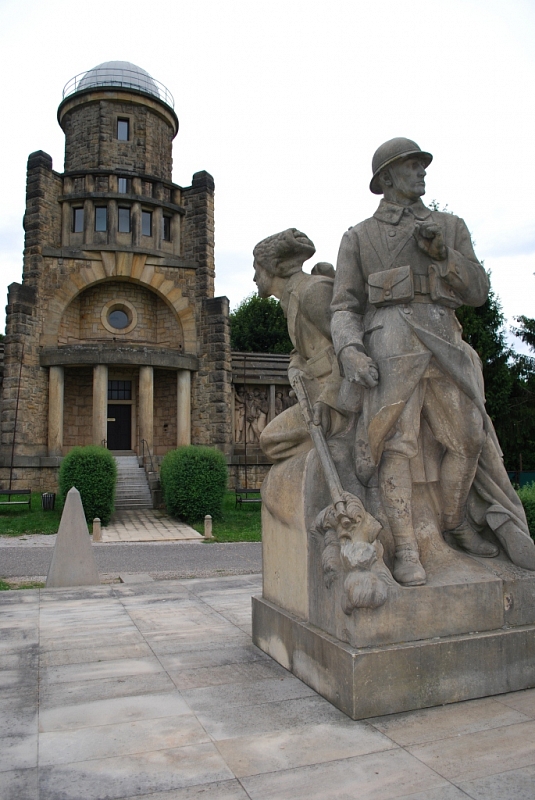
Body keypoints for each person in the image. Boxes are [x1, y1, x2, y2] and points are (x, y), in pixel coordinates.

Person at [330, 137, 500, 586]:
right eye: (411, 165)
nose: (421, 172)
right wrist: (350, 350)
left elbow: (478, 294)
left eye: (422, 165)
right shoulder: (359, 236)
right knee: (396, 444)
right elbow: (343, 306)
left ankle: (454, 522)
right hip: (391, 343)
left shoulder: (450, 226)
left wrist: (446, 256)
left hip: (446, 337)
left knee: (469, 438)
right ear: (386, 177)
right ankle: (406, 549)